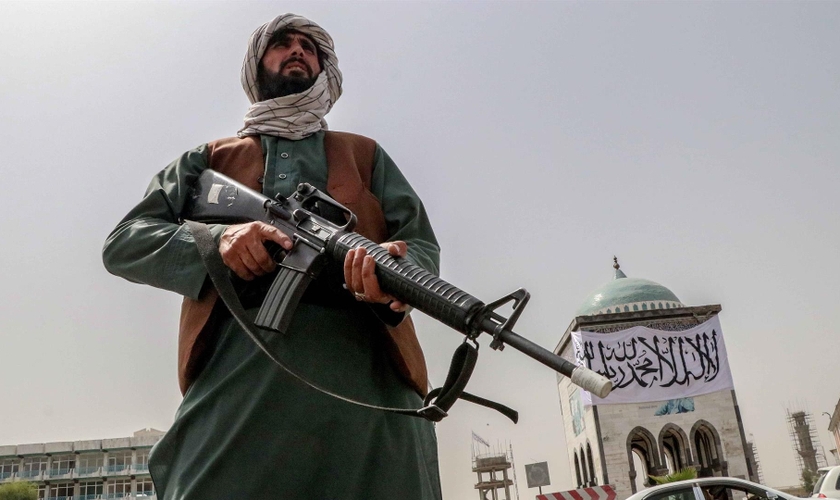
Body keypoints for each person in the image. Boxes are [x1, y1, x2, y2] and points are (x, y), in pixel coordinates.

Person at [103, 13, 443, 500]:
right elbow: (125, 242)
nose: (298, 51)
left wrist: (395, 270)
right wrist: (215, 244)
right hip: (238, 373)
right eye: (282, 44)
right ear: (256, 64)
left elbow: (422, 244)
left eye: (309, 46)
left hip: (369, 383)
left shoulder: (364, 155)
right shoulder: (211, 159)